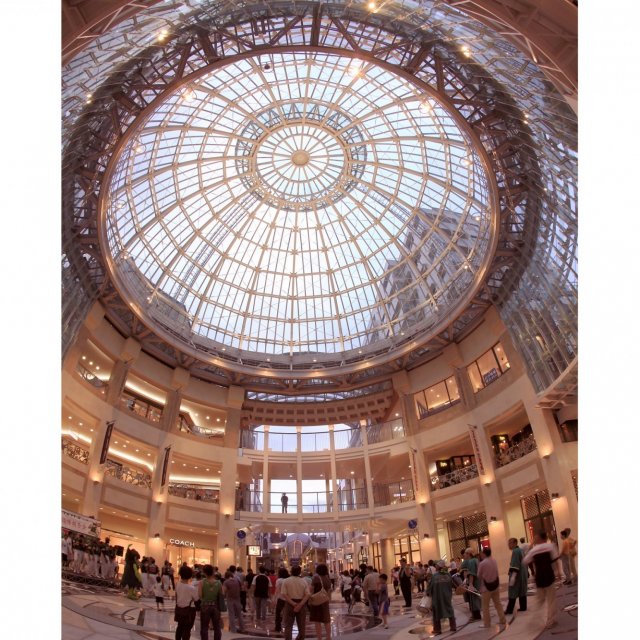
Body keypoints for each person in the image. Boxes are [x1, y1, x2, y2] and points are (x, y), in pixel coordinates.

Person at [523, 531, 560, 629]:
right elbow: (555, 560)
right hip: (549, 575)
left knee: (540, 600)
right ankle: (550, 621)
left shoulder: (533, 550)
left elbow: (525, 561)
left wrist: (530, 547)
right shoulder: (551, 546)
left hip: (539, 577)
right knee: (551, 600)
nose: (534, 539)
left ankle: (534, 620)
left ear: (539, 538)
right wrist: (559, 572)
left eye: (535, 537)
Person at [476, 548, 506, 628]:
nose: (481, 554)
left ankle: (487, 623)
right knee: (498, 603)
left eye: (482, 553)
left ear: (484, 553)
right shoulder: (494, 560)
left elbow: (478, 575)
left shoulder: (482, 563)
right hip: (495, 585)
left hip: (486, 588)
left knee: (485, 606)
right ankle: (502, 619)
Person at [427, 560, 456, 635]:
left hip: (437, 598)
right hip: (447, 596)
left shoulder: (435, 576)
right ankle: (453, 626)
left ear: (438, 566)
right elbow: (452, 584)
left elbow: (430, 587)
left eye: (436, 565)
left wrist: (428, 593)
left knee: (436, 612)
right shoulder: (448, 575)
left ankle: (437, 629)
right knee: (449, 610)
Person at [281, 565, 310, 640]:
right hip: (301, 604)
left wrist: (293, 603)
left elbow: (284, 594)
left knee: (288, 625)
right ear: (300, 572)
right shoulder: (303, 581)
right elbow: (307, 594)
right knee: (301, 626)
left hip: (289, 604)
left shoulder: (286, 581)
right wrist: (300, 604)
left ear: (290, 572)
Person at [198, 564, 223, 640]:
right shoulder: (218, 583)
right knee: (217, 627)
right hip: (215, 606)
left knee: (204, 627)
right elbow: (221, 595)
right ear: (213, 572)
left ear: (204, 573)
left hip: (205, 605)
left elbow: (200, 595)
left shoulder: (201, 582)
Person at [174, 564, 198, 640]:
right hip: (189, 611)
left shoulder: (177, 584)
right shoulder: (191, 588)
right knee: (187, 629)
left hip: (179, 609)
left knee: (180, 627)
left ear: (180, 574)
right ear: (190, 575)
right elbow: (197, 599)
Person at [309, 563, 332, 640]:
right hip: (325, 601)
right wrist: (328, 599)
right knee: (326, 620)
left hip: (316, 601)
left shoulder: (315, 577)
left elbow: (311, 589)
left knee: (317, 621)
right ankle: (328, 637)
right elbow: (329, 590)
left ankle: (319, 638)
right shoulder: (327, 578)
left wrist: (310, 598)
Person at [505, 538, 528, 614]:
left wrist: (513, 577)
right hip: (522, 573)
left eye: (510, 543)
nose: (508, 545)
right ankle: (523, 607)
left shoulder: (515, 551)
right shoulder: (520, 550)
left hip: (517, 575)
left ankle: (509, 610)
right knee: (522, 591)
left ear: (515, 543)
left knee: (513, 591)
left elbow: (515, 565)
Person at [460, 548, 481, 621]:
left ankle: (476, 616)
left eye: (465, 553)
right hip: (478, 582)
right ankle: (476, 615)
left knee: (474, 599)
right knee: (476, 599)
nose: (464, 555)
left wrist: (471, 584)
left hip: (474, 582)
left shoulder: (471, 561)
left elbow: (471, 574)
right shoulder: (475, 560)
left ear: (469, 554)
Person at [274, 567, 290, 633]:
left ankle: (278, 627)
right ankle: (288, 626)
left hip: (280, 598)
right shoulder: (289, 579)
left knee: (278, 613)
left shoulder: (279, 580)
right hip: (288, 599)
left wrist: (275, 598)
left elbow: (277, 590)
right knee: (287, 613)